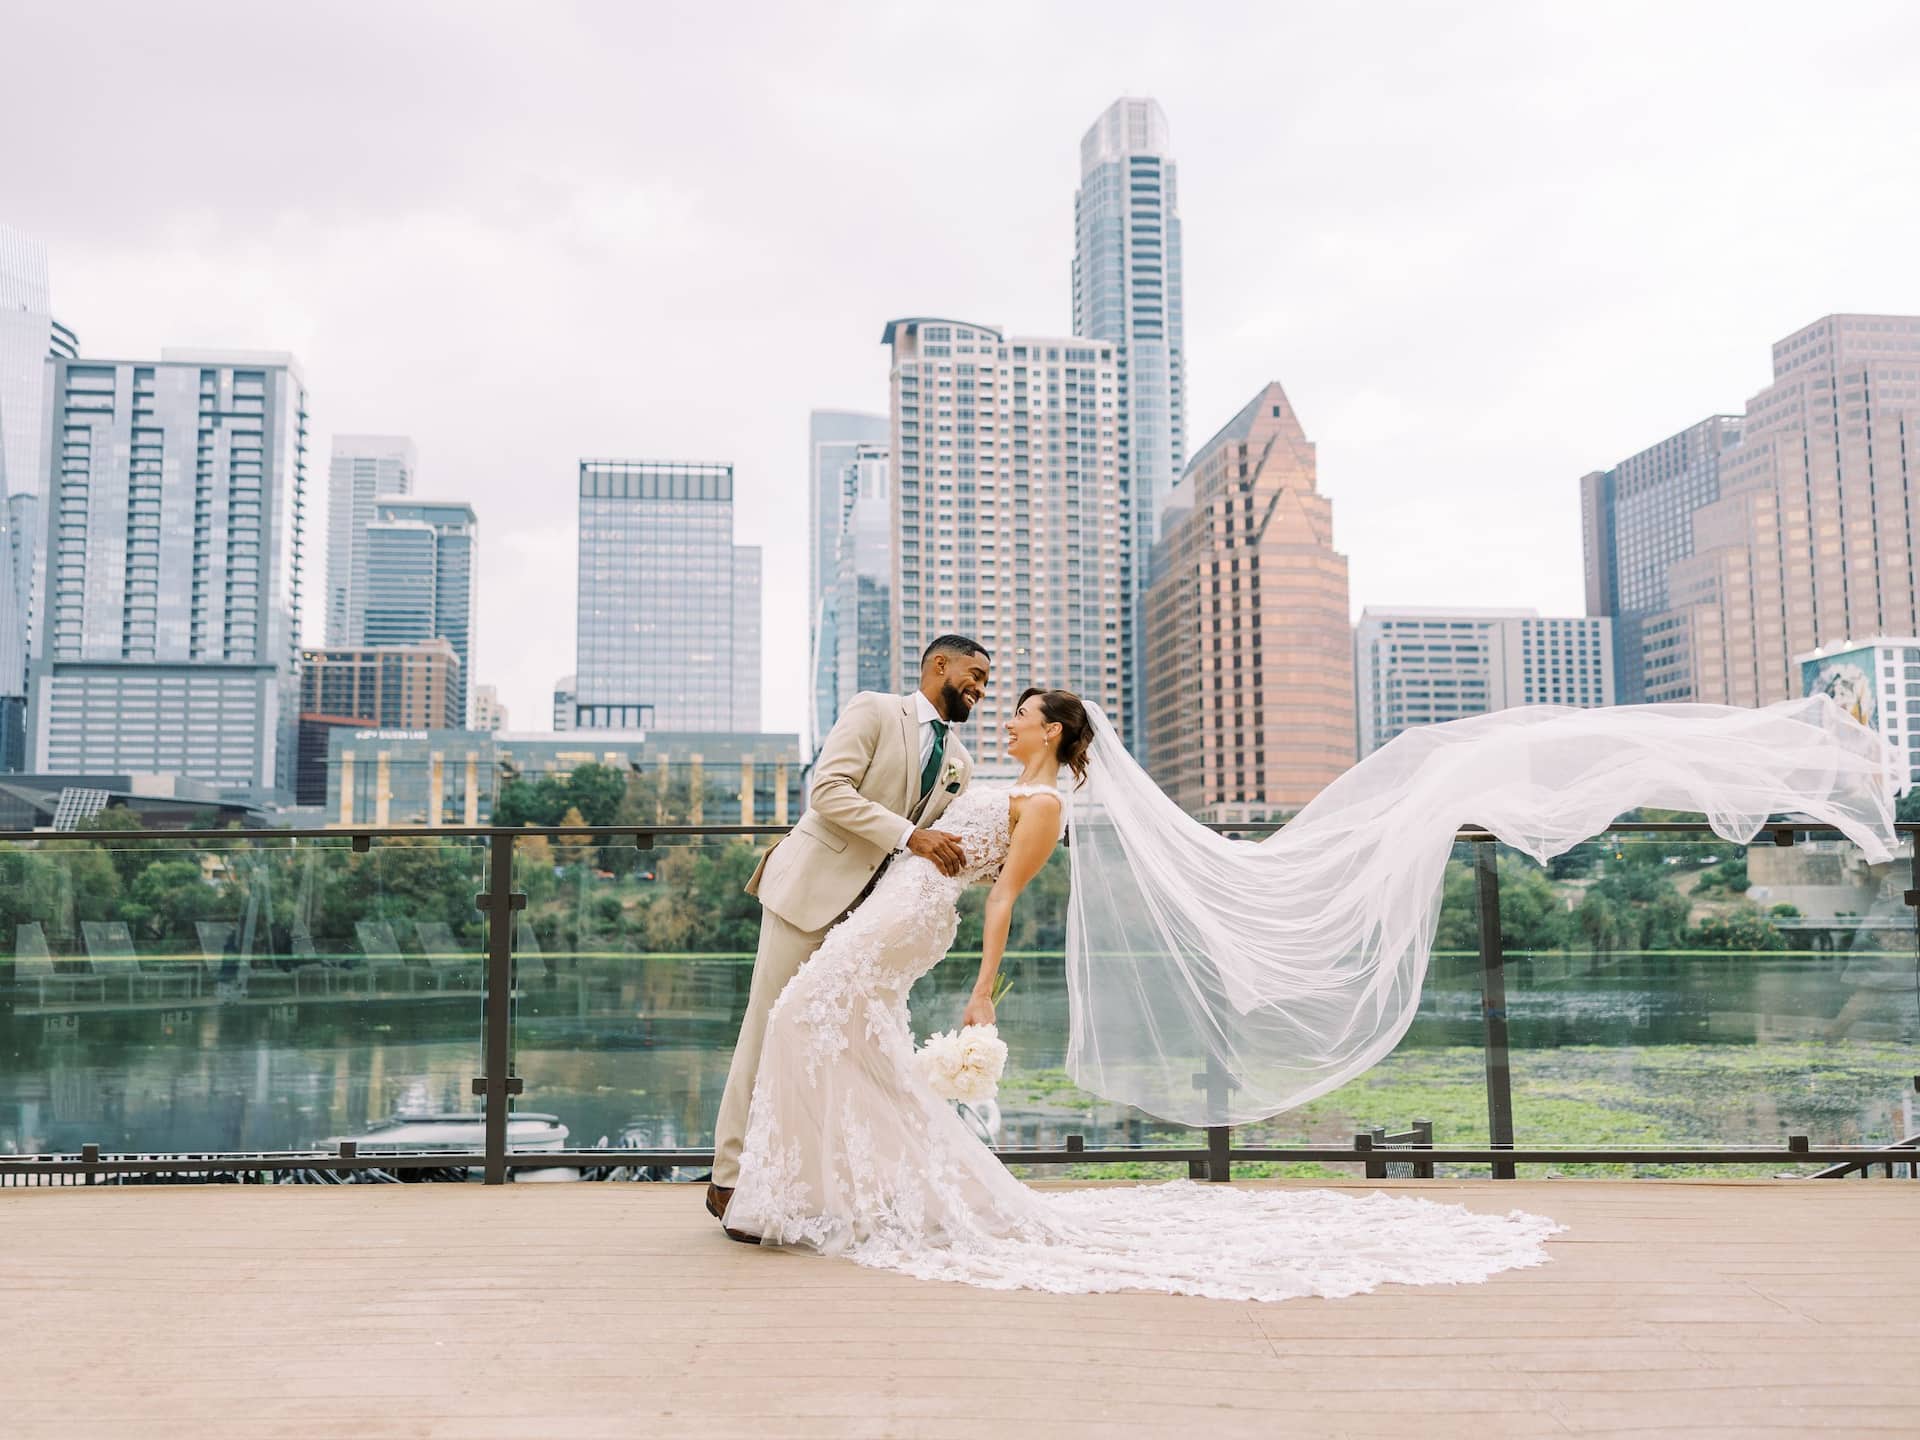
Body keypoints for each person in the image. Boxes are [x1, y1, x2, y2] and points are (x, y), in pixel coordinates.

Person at [721, 687, 1897, 1301]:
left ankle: (817, 1193)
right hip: (885, 915)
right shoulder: (989, 774)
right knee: (826, 1038)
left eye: (1027, 705)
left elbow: (1003, 905)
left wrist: (980, 993)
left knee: (804, 1024)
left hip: (910, 932)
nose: (1013, 710)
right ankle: (835, 1190)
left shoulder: (1040, 804)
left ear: (1056, 731)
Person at [705, 634, 990, 1238]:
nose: (980, 688)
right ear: (938, 664)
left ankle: (798, 1183)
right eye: (973, 674)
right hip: (808, 893)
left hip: (870, 923)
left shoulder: (962, 765)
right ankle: (728, 1177)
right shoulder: (875, 710)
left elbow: (937, 848)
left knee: (833, 1048)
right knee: (769, 1026)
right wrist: (910, 836)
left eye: (986, 682)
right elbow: (829, 792)